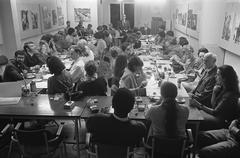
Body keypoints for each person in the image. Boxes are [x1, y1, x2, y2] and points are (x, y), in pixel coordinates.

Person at [191, 65, 240, 130]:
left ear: (224, 78)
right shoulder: (222, 88)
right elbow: (213, 105)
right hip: (216, 115)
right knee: (193, 114)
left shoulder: (230, 95)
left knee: (194, 117)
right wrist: (214, 93)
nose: (215, 76)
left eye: (218, 75)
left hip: (222, 121)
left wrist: (198, 105)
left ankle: (194, 137)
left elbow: (215, 112)